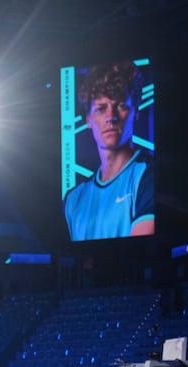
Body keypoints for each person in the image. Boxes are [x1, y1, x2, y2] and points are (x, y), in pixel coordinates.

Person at [63, 61, 154, 241]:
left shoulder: (148, 175)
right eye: (101, 109)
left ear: (135, 112)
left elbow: (141, 253)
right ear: (88, 119)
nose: (110, 117)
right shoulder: (73, 199)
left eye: (121, 106)